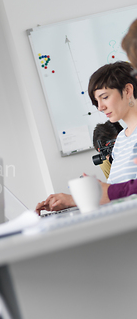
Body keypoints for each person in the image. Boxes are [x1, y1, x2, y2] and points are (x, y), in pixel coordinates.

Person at [36, 61, 137, 214]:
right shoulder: (122, 139)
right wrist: (79, 197)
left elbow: (121, 192)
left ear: (128, 90)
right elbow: (116, 193)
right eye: (97, 101)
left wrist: (76, 199)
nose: (100, 107)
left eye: (104, 97)